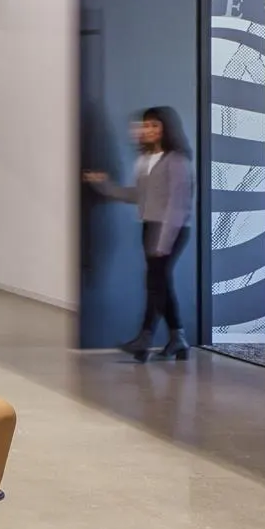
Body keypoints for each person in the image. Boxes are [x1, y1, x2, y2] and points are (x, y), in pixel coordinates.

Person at [84, 105, 194, 360]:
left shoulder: (177, 161)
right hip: (149, 226)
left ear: (166, 129)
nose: (149, 130)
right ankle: (177, 338)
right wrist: (103, 185)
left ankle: (145, 339)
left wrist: (163, 242)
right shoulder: (144, 160)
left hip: (172, 229)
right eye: (146, 125)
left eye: (155, 125)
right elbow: (136, 195)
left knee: (155, 282)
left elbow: (177, 205)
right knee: (160, 283)